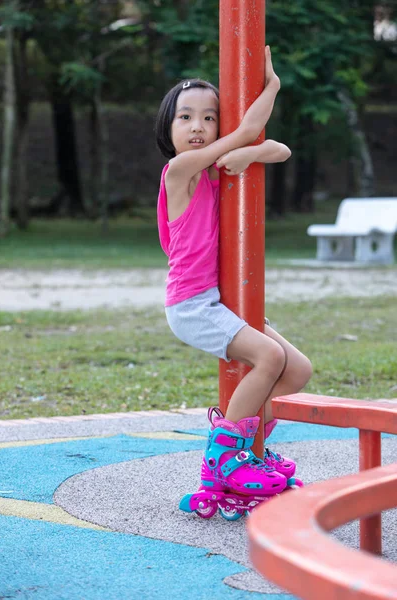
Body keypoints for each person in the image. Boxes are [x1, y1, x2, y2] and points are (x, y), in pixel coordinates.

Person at [155, 46, 312, 519]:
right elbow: (248, 132)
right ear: (168, 129)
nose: (199, 127)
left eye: (208, 117)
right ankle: (224, 458)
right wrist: (270, 94)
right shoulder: (179, 172)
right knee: (269, 356)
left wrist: (255, 151)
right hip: (192, 305)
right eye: (186, 117)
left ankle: (251, 451)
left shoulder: (216, 169)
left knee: (296, 370)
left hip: (222, 301)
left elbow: (278, 149)